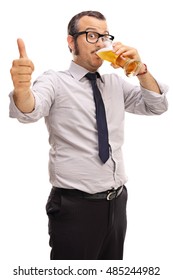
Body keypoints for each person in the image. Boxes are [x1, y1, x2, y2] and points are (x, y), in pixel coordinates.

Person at [9, 10, 168, 260]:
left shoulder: (115, 84)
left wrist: (140, 69)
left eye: (104, 36)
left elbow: (156, 105)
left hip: (117, 203)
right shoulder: (55, 82)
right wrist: (21, 89)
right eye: (91, 35)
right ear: (71, 42)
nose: (101, 43)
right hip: (75, 208)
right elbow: (29, 110)